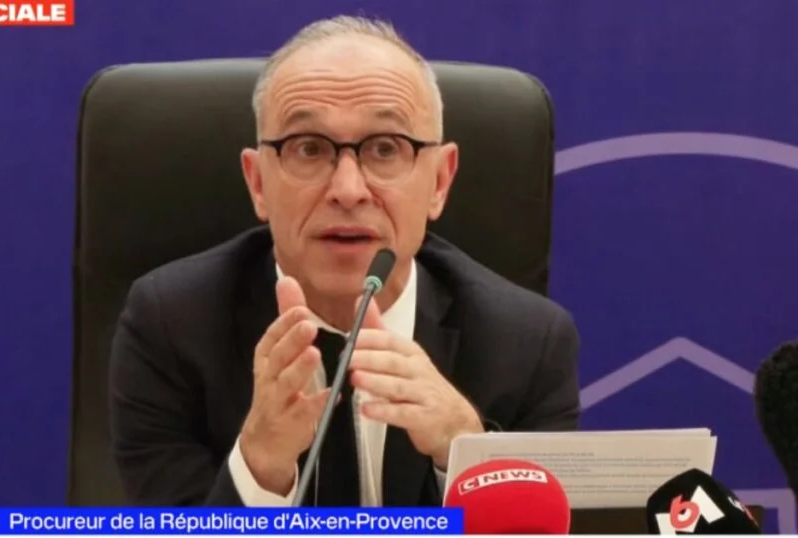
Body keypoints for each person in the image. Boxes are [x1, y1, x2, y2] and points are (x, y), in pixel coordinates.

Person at [108, 15, 581, 507]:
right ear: (258, 183)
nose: (348, 190)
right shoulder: (171, 329)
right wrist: (258, 468)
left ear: (440, 182)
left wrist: (469, 457)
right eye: (309, 149)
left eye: (385, 148)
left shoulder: (528, 346)